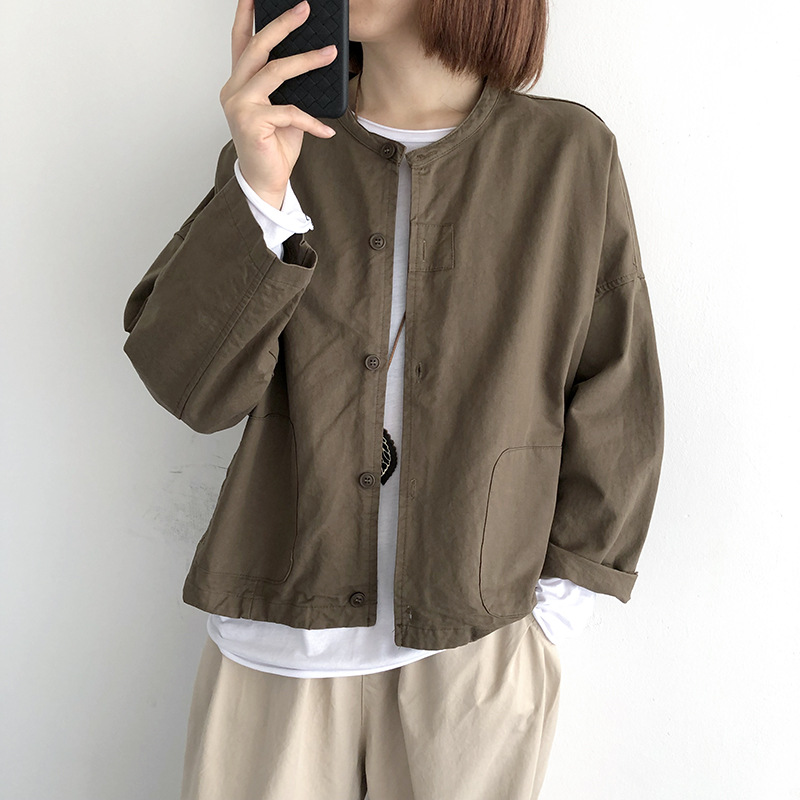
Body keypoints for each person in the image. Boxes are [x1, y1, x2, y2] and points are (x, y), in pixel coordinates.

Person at [121, 0, 665, 797]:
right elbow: (191, 387)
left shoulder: (567, 154)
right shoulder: (280, 143)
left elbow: (617, 384)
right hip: (278, 640)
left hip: (476, 645)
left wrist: (553, 609)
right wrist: (261, 188)